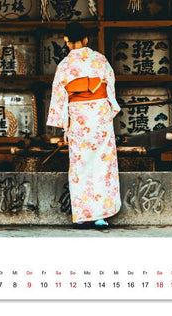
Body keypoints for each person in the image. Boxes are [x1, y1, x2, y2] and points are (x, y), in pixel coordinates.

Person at [47, 21, 121, 230]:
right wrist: (107, 110)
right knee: (102, 165)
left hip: (78, 119)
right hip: (99, 119)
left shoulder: (64, 66)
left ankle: (81, 216)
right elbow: (110, 89)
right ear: (87, 39)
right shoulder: (100, 61)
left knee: (79, 167)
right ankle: (100, 216)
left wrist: (63, 124)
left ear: (67, 41)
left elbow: (60, 97)